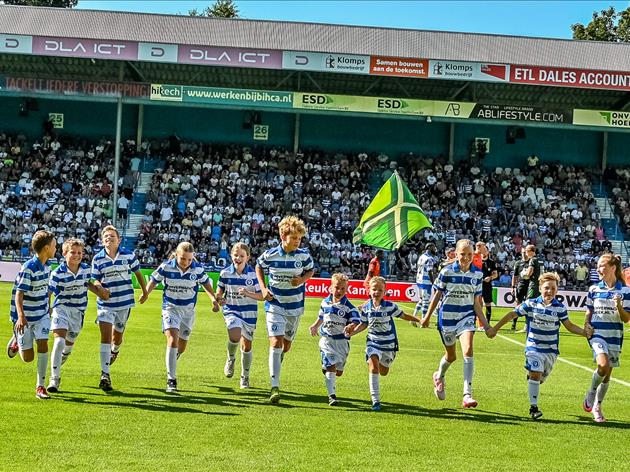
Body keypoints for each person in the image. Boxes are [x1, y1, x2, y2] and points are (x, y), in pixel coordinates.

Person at [487, 272, 591, 420]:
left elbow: (568, 325)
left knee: (538, 378)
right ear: (541, 288)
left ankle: (533, 377)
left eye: (553, 289)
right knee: (536, 373)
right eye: (547, 288)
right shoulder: (531, 304)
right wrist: (495, 328)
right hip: (534, 347)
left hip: (551, 351)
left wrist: (584, 333)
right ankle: (533, 408)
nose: (550, 291)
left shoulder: (560, 308)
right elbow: (512, 315)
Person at [421, 239, 492, 408]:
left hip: (466, 317)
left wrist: (486, 325)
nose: (466, 258)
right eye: (462, 254)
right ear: (456, 254)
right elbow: (437, 295)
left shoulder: (478, 274)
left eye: (469, 254)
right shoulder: (446, 272)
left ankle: (467, 394)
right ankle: (439, 376)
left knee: (468, 349)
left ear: (473, 255)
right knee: (451, 356)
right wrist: (427, 316)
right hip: (446, 318)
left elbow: (476, 303)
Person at [140, 242, 219, 393]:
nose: (186, 262)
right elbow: (153, 280)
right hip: (170, 308)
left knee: (181, 347)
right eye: (183, 259)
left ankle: (173, 357)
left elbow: (206, 285)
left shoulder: (198, 269)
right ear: (176, 255)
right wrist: (146, 293)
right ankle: (171, 380)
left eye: (189, 259)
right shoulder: (166, 267)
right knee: (172, 339)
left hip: (188, 312)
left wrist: (213, 299)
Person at [256, 216, 314, 404]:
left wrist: (302, 280)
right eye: (294, 238)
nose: (297, 242)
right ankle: (274, 387)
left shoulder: (303, 256)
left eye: (299, 238)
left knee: (285, 346)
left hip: (295, 306)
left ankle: (277, 364)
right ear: (283, 235)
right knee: (275, 343)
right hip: (275, 304)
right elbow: (258, 266)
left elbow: (310, 270)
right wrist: (264, 289)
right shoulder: (271, 254)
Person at [345, 276, 421, 411]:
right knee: (373, 367)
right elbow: (363, 324)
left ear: (385, 291)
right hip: (373, 342)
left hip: (389, 344)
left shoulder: (390, 306)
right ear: (369, 290)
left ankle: (382, 365)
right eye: (374, 289)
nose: (377, 292)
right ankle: (375, 401)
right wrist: (352, 332)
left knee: (384, 371)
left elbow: (403, 315)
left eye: (380, 290)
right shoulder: (366, 308)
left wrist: (419, 320)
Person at [47, 238, 110, 393]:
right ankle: (54, 379)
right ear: (64, 253)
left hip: (78, 313)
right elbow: (48, 292)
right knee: (59, 341)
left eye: (79, 253)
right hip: (61, 309)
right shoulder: (57, 273)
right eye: (72, 252)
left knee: (67, 347)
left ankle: (58, 364)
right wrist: (47, 307)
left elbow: (92, 283)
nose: (76, 255)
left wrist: (101, 291)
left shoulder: (87, 270)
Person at [91, 225, 148, 392]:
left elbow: (138, 273)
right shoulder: (98, 259)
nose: (109, 238)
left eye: (112, 236)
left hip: (124, 302)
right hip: (106, 304)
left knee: (117, 338)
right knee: (106, 337)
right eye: (106, 236)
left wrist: (144, 292)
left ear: (119, 240)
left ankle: (115, 351)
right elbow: (95, 280)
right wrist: (100, 287)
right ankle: (105, 374)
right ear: (102, 241)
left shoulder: (129, 255)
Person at [6, 230, 56, 399]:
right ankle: (16, 339)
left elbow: (44, 290)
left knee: (43, 344)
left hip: (41, 314)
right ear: (47, 248)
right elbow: (19, 295)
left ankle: (40, 387)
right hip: (25, 317)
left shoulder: (48, 265)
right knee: (28, 358)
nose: (56, 248)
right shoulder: (29, 268)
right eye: (55, 245)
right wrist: (20, 317)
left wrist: (47, 307)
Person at [582, 254, 630, 423]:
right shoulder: (594, 289)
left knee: (607, 375)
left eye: (602, 265)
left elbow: (626, 319)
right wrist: (587, 324)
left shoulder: (625, 291)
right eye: (598, 266)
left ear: (612, 267)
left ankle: (597, 406)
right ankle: (591, 391)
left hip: (615, 336)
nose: (598, 269)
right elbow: (589, 310)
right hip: (597, 334)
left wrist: (618, 305)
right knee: (602, 366)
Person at [216, 242, 263, 389]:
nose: (238, 258)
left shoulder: (253, 274)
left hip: (249, 313)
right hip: (232, 310)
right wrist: (219, 299)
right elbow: (219, 291)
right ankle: (230, 358)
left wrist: (248, 293)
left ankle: (245, 377)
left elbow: (262, 295)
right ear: (231, 256)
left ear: (247, 257)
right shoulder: (225, 273)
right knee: (234, 336)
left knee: (247, 346)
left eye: (241, 255)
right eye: (236, 255)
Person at [309, 273, 360, 406]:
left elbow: (356, 320)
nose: (339, 291)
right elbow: (321, 317)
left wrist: (351, 325)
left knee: (338, 372)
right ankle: (332, 396)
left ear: (346, 289)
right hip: (327, 340)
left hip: (342, 343)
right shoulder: (325, 302)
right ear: (331, 287)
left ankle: (328, 369)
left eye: (343, 289)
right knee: (330, 366)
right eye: (337, 287)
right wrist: (315, 326)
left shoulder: (349, 306)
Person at [413, 243, 438, 324]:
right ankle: (424, 320)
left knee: (421, 299)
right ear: (429, 247)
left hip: (419, 280)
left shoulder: (422, 256)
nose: (435, 249)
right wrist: (433, 282)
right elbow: (430, 271)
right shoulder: (429, 258)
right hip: (426, 281)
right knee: (426, 301)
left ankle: (413, 317)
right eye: (434, 247)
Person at [476, 242, 498, 325]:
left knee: (488, 303)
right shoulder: (477, 261)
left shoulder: (491, 262)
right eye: (483, 250)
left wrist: (490, 278)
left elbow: (495, 274)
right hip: (478, 285)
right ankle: (478, 323)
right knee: (477, 304)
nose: (484, 252)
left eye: (485, 251)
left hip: (487, 285)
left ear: (488, 252)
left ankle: (487, 323)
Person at [511, 247, 530, 330]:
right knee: (518, 305)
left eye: (525, 252)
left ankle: (526, 325)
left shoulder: (531, 262)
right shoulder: (518, 263)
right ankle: (514, 323)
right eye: (522, 252)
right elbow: (514, 276)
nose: (524, 254)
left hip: (529, 286)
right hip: (520, 286)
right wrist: (513, 287)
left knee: (529, 305)